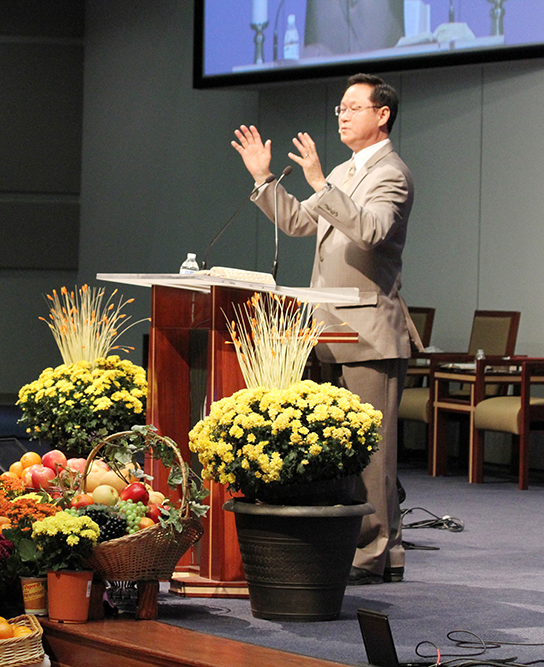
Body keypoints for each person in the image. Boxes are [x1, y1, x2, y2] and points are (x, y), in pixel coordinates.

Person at [231, 73, 419, 585]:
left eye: (354, 107)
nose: (343, 115)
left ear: (382, 114)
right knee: (340, 452)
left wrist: (321, 184)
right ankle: (366, 549)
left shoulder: (391, 173)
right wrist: (264, 179)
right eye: (340, 108)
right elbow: (298, 222)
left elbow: (372, 231)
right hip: (329, 330)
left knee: (373, 456)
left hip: (369, 334)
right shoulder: (342, 171)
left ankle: (375, 553)